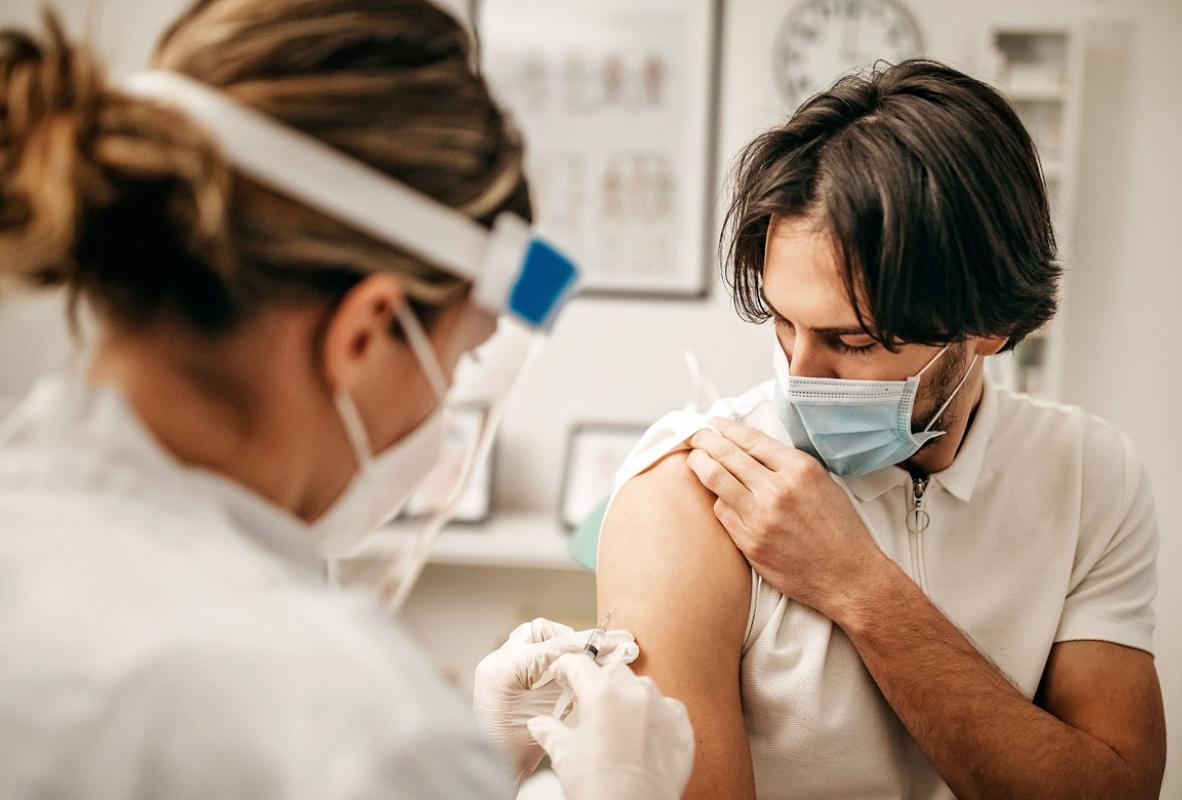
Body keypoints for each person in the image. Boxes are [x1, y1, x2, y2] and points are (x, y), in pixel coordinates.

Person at [0, 2, 693, 798]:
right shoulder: (344, 715)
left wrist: (471, 759)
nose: (444, 411)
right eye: (459, 362)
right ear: (364, 333)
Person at [598, 60, 1166, 799]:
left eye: (854, 343)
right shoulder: (689, 494)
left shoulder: (1091, 476)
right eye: (783, 323)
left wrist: (858, 586)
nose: (800, 376)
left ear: (988, 326)